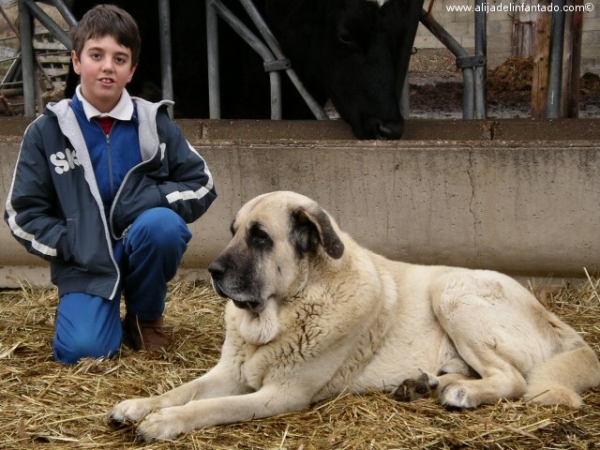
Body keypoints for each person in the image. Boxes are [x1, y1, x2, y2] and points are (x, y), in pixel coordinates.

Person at [4, 4, 216, 364]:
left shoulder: (154, 123)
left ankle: (143, 318)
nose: (107, 66)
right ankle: (96, 315)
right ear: (76, 61)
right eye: (96, 55)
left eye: (120, 59)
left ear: (131, 70)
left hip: (138, 243)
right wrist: (68, 241)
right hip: (86, 262)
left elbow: (202, 183)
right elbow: (23, 213)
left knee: (161, 226)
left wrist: (151, 199)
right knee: (84, 353)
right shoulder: (46, 132)